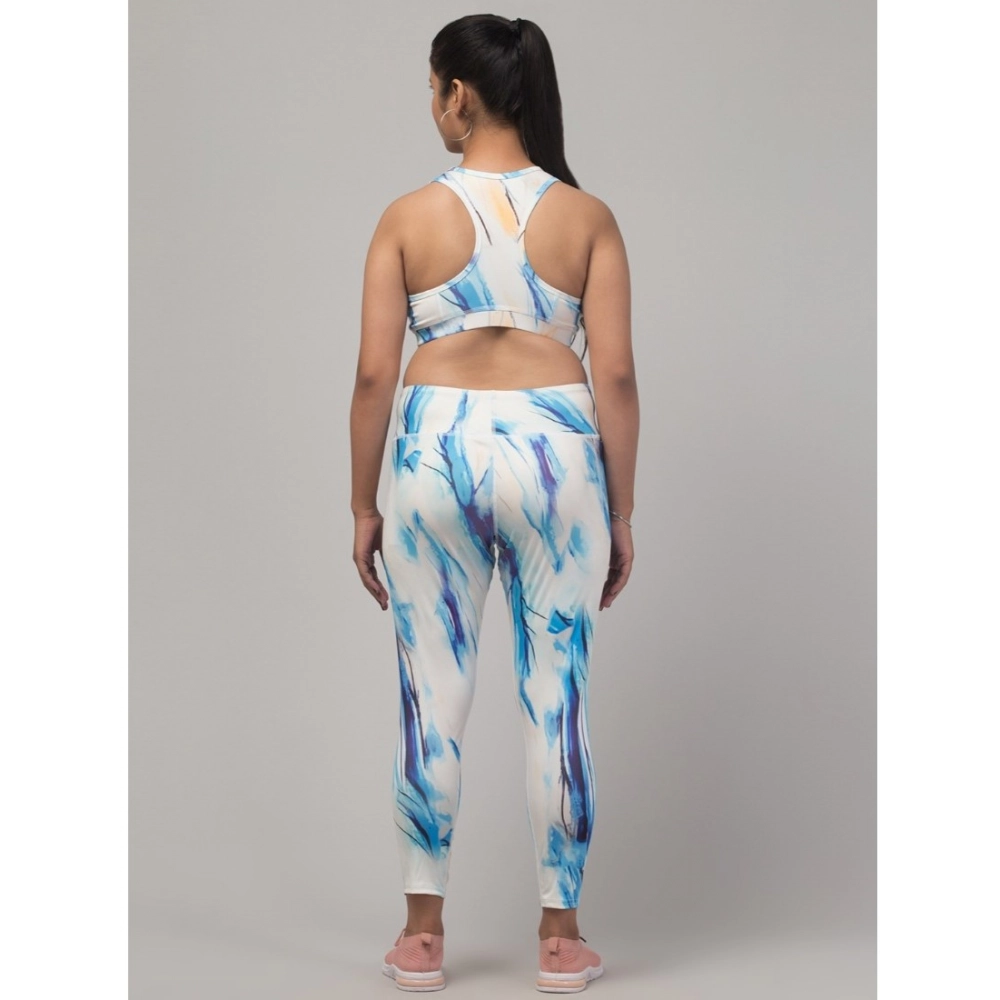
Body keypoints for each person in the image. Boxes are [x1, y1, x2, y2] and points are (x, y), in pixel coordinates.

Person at [350, 14, 639, 993]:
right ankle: (560, 937)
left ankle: (420, 936)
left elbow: (372, 376)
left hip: (433, 451)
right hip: (558, 452)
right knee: (558, 695)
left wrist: (361, 505)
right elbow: (619, 378)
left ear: (458, 95)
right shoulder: (588, 217)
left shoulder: (405, 217)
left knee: (430, 693)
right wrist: (623, 511)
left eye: (432, 88)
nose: (430, 105)